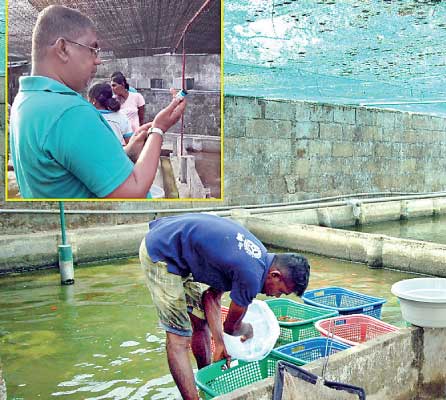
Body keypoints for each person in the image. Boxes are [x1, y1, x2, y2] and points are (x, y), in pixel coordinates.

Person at [9, 5, 185, 198]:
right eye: (92, 49)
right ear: (62, 48)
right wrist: (159, 129)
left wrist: (126, 154)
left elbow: (69, 170)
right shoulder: (70, 112)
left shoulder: (25, 100)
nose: (98, 60)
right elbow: (133, 192)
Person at [139, 213, 311, 400]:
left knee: (200, 320)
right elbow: (231, 327)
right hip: (162, 253)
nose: (275, 295)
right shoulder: (251, 277)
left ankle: (206, 381)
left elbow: (211, 298)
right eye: (281, 291)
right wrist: (249, 329)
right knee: (179, 338)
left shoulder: (258, 257)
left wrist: (220, 343)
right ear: (275, 275)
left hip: (179, 249)